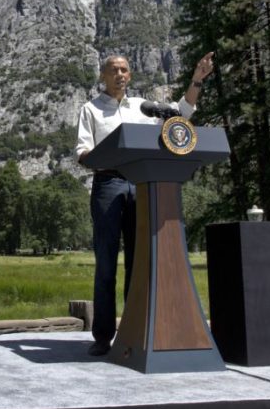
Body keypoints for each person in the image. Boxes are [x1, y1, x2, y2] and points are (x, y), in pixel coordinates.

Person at [74, 52, 214, 356]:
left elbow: (181, 114)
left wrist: (197, 80)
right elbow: (83, 152)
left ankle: (133, 330)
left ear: (131, 75)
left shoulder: (144, 107)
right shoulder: (91, 109)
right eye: (114, 70)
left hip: (142, 185)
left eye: (125, 70)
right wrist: (104, 154)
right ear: (103, 76)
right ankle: (102, 336)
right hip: (108, 184)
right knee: (107, 262)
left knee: (140, 263)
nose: (120, 74)